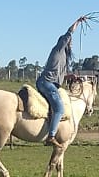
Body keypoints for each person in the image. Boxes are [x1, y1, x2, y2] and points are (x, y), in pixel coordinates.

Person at [36, 16, 88, 145]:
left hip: (48, 82)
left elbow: (61, 76)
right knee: (59, 109)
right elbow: (69, 33)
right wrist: (78, 22)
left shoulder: (63, 58)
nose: (71, 43)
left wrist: (71, 77)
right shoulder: (58, 49)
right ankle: (51, 136)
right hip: (47, 83)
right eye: (70, 42)